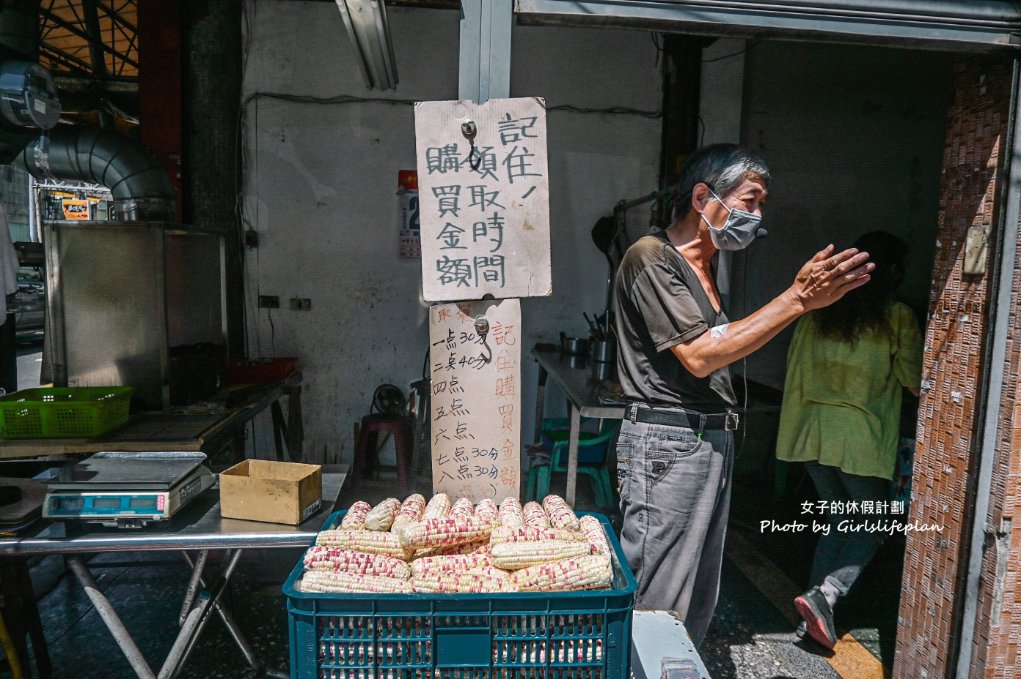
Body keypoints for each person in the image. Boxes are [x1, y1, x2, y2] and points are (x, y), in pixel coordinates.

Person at [613, 143, 874, 646]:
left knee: (697, 595)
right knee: (659, 594)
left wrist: (803, 304)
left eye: (761, 205)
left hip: (709, 440)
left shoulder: (707, 269)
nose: (756, 216)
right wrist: (797, 300)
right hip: (670, 442)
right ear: (702, 196)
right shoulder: (650, 257)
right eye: (749, 201)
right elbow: (700, 355)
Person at [775, 231, 922, 649]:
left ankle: (812, 619)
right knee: (873, 523)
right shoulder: (897, 317)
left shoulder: (818, 312)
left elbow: (796, 368)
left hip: (810, 433)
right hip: (859, 439)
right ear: (891, 273)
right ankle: (829, 594)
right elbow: (914, 382)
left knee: (839, 521)